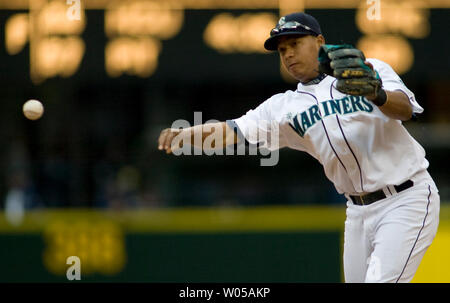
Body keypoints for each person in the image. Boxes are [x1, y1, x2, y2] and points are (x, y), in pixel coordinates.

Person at [157, 12, 439, 283]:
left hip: (406, 198)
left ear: (319, 42)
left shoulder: (369, 69)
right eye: (282, 50)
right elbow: (232, 131)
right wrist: (187, 134)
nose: (288, 54)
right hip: (357, 211)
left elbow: (406, 110)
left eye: (295, 44)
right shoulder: (283, 108)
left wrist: (376, 93)